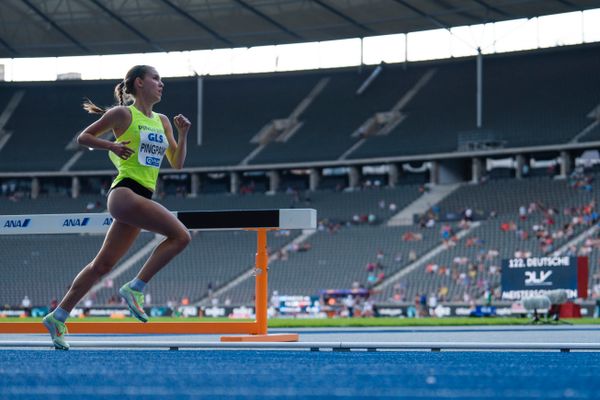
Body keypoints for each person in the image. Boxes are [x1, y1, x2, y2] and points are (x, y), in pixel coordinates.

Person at [42, 65, 192, 350]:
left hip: (141, 198)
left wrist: (183, 135)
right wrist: (110, 147)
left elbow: (177, 162)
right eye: (156, 79)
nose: (162, 84)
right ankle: (135, 287)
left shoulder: (162, 121)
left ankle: (58, 315)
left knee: (102, 265)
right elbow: (83, 137)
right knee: (181, 236)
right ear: (139, 83)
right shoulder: (123, 114)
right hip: (125, 193)